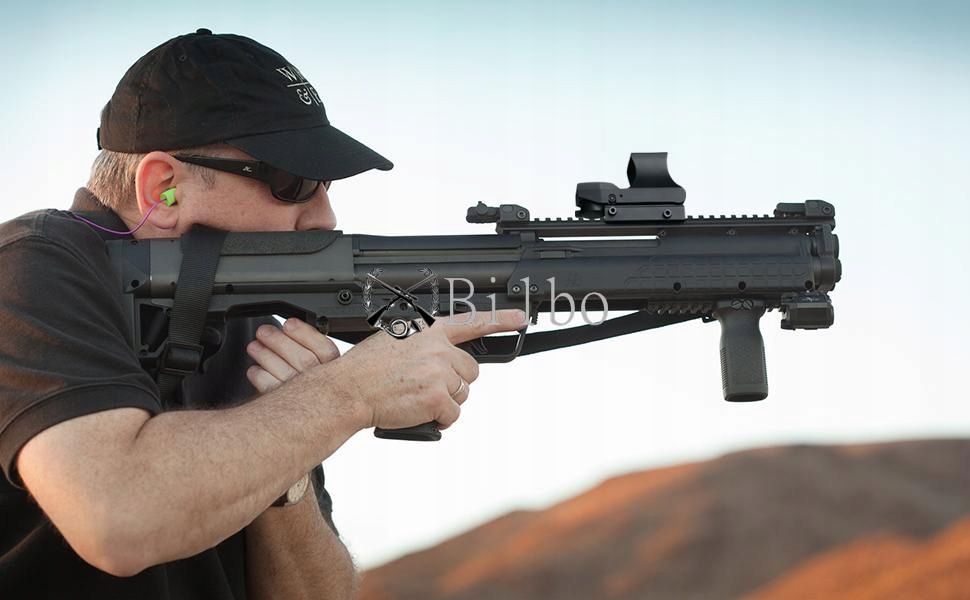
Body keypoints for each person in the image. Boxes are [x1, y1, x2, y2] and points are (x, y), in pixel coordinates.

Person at [0, 29, 526, 599]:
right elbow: (116, 518)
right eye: (293, 184)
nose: (324, 218)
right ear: (163, 188)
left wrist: (289, 459)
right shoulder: (32, 264)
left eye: (325, 187)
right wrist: (347, 393)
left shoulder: (241, 315)